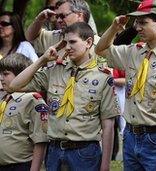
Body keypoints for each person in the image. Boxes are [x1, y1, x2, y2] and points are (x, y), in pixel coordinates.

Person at [9, 22, 119, 171]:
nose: (67, 47)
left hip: (84, 152)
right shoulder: (54, 71)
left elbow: (108, 125)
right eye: (65, 42)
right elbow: (15, 86)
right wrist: (42, 60)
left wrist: (105, 165)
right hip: (54, 150)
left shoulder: (103, 77)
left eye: (72, 42)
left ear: (88, 42)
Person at [95, 0, 156, 170]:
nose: (137, 27)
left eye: (143, 22)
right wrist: (114, 28)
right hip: (131, 135)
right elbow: (100, 50)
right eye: (137, 22)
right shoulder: (134, 52)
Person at [0, 53, 48, 171]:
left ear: (21, 75)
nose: (1, 78)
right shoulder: (4, 100)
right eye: (0, 74)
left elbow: (40, 140)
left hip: (22, 165)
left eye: (6, 74)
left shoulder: (32, 99)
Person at [25, 0, 102, 64]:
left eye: (62, 16)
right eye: (57, 17)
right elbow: (29, 37)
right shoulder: (54, 36)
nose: (58, 20)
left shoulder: (99, 44)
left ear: (79, 16)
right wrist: (39, 19)